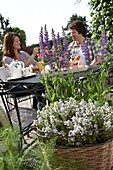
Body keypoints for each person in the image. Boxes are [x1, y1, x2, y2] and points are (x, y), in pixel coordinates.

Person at [2, 32, 45, 110]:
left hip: (29, 83)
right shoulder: (6, 58)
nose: (19, 43)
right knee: (38, 88)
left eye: (19, 40)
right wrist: (33, 55)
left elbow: (36, 64)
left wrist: (35, 67)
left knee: (41, 85)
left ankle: (38, 110)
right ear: (10, 43)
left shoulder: (22, 54)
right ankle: (40, 110)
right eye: (16, 41)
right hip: (16, 86)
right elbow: (20, 68)